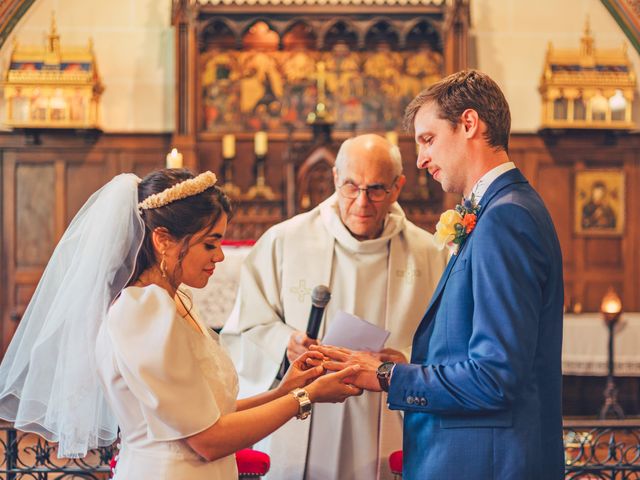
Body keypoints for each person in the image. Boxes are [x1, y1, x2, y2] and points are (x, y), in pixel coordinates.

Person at [0, 168, 362, 479]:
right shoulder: (143, 312)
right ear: (163, 240)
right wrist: (306, 397)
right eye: (209, 244)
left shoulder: (170, 301)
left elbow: (203, 414)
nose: (220, 255)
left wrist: (284, 391)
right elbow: (207, 440)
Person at [316, 70, 565, 479]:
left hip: (487, 463)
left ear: (469, 124)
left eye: (428, 139)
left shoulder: (505, 218)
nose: (420, 160)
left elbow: (495, 377)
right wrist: (409, 364)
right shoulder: (501, 210)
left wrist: (384, 376)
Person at [221, 134, 448, 480]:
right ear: (334, 180)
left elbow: (449, 339)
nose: (361, 202)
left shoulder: (429, 253)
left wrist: (405, 360)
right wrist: (286, 342)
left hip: (386, 410)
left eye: (376, 189)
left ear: (398, 187)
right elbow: (246, 327)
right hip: (304, 409)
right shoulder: (284, 241)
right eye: (350, 187)